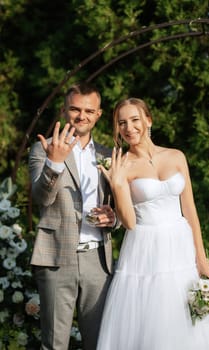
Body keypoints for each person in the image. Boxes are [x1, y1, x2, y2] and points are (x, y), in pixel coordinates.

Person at [97, 97, 209, 350]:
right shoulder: (122, 165)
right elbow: (128, 222)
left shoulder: (176, 156)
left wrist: (201, 256)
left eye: (135, 120)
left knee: (192, 321)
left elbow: (190, 209)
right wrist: (117, 184)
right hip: (145, 248)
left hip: (181, 243)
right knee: (154, 317)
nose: (129, 128)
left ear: (148, 120)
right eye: (122, 123)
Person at [29, 82, 116, 350]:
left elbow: (122, 205)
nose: (82, 116)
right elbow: (41, 199)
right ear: (65, 110)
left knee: (100, 342)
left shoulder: (108, 154)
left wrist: (115, 220)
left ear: (98, 114)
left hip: (98, 261)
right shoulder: (42, 149)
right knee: (54, 344)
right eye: (75, 109)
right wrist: (54, 163)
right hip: (56, 258)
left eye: (89, 111)